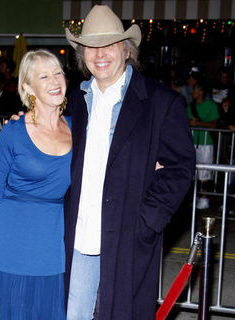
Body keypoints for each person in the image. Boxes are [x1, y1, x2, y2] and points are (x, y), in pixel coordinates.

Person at [63, 5, 195, 319]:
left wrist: (147, 220)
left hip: (127, 237)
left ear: (126, 49)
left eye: (109, 45)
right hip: (78, 237)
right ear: (82, 55)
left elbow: (180, 167)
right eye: (91, 47)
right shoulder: (76, 101)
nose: (100, 54)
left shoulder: (161, 102)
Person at [0, 49, 72, 319]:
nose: (55, 81)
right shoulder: (13, 131)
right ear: (28, 87)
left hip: (52, 248)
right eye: (44, 76)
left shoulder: (78, 128)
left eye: (58, 73)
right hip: (9, 246)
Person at [187, 82, 219, 210]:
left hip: (206, 142)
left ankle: (204, 198)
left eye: (194, 89)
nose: (192, 92)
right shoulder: (191, 106)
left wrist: (198, 123)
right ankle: (194, 197)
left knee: (205, 171)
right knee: (192, 171)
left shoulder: (211, 105)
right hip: (192, 140)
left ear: (201, 91)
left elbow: (214, 125)